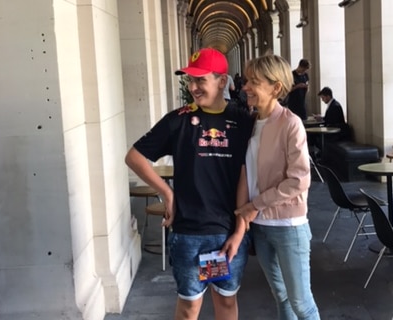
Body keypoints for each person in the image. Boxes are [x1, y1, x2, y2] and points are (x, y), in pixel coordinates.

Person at [125, 47, 253, 320]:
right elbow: (134, 157)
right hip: (189, 235)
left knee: (225, 303)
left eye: (200, 80)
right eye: (190, 80)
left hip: (226, 236)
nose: (193, 87)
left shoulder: (242, 120)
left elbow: (249, 175)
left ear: (222, 81)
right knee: (189, 308)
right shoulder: (178, 121)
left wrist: (239, 231)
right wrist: (167, 193)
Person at [235, 54, 321, 320]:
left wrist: (253, 206)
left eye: (254, 82)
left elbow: (298, 180)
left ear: (276, 88)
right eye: (247, 80)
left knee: (301, 303)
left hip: (289, 228)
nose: (245, 87)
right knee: (281, 297)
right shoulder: (250, 123)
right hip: (260, 227)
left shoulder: (290, 124)